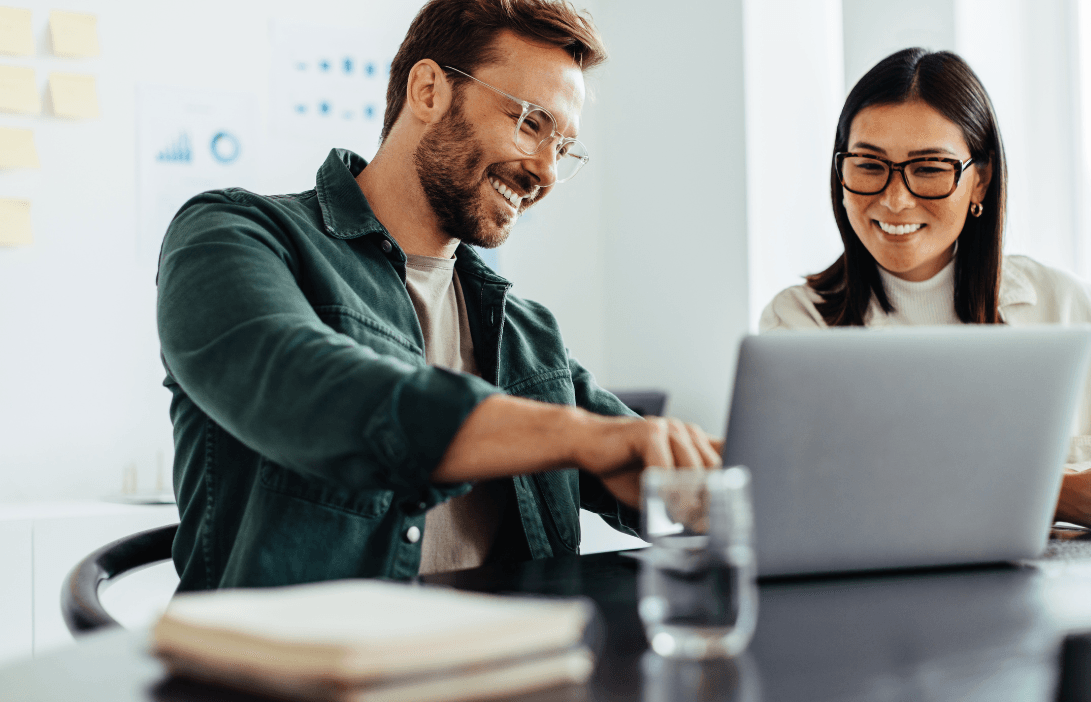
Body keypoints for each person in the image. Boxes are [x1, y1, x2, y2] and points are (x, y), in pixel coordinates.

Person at [156, 0, 720, 592]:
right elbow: (313, 386)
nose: (546, 171)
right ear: (428, 90)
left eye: (563, 148)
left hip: (513, 668)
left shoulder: (528, 335)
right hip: (303, 674)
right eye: (530, 122)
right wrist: (582, 437)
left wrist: (734, 474)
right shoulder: (233, 234)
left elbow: (641, 459)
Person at [760, 48, 1091, 532]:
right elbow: (805, 494)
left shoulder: (1067, 306)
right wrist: (1058, 494)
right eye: (869, 165)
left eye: (930, 168)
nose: (895, 199)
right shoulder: (798, 324)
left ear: (979, 182)